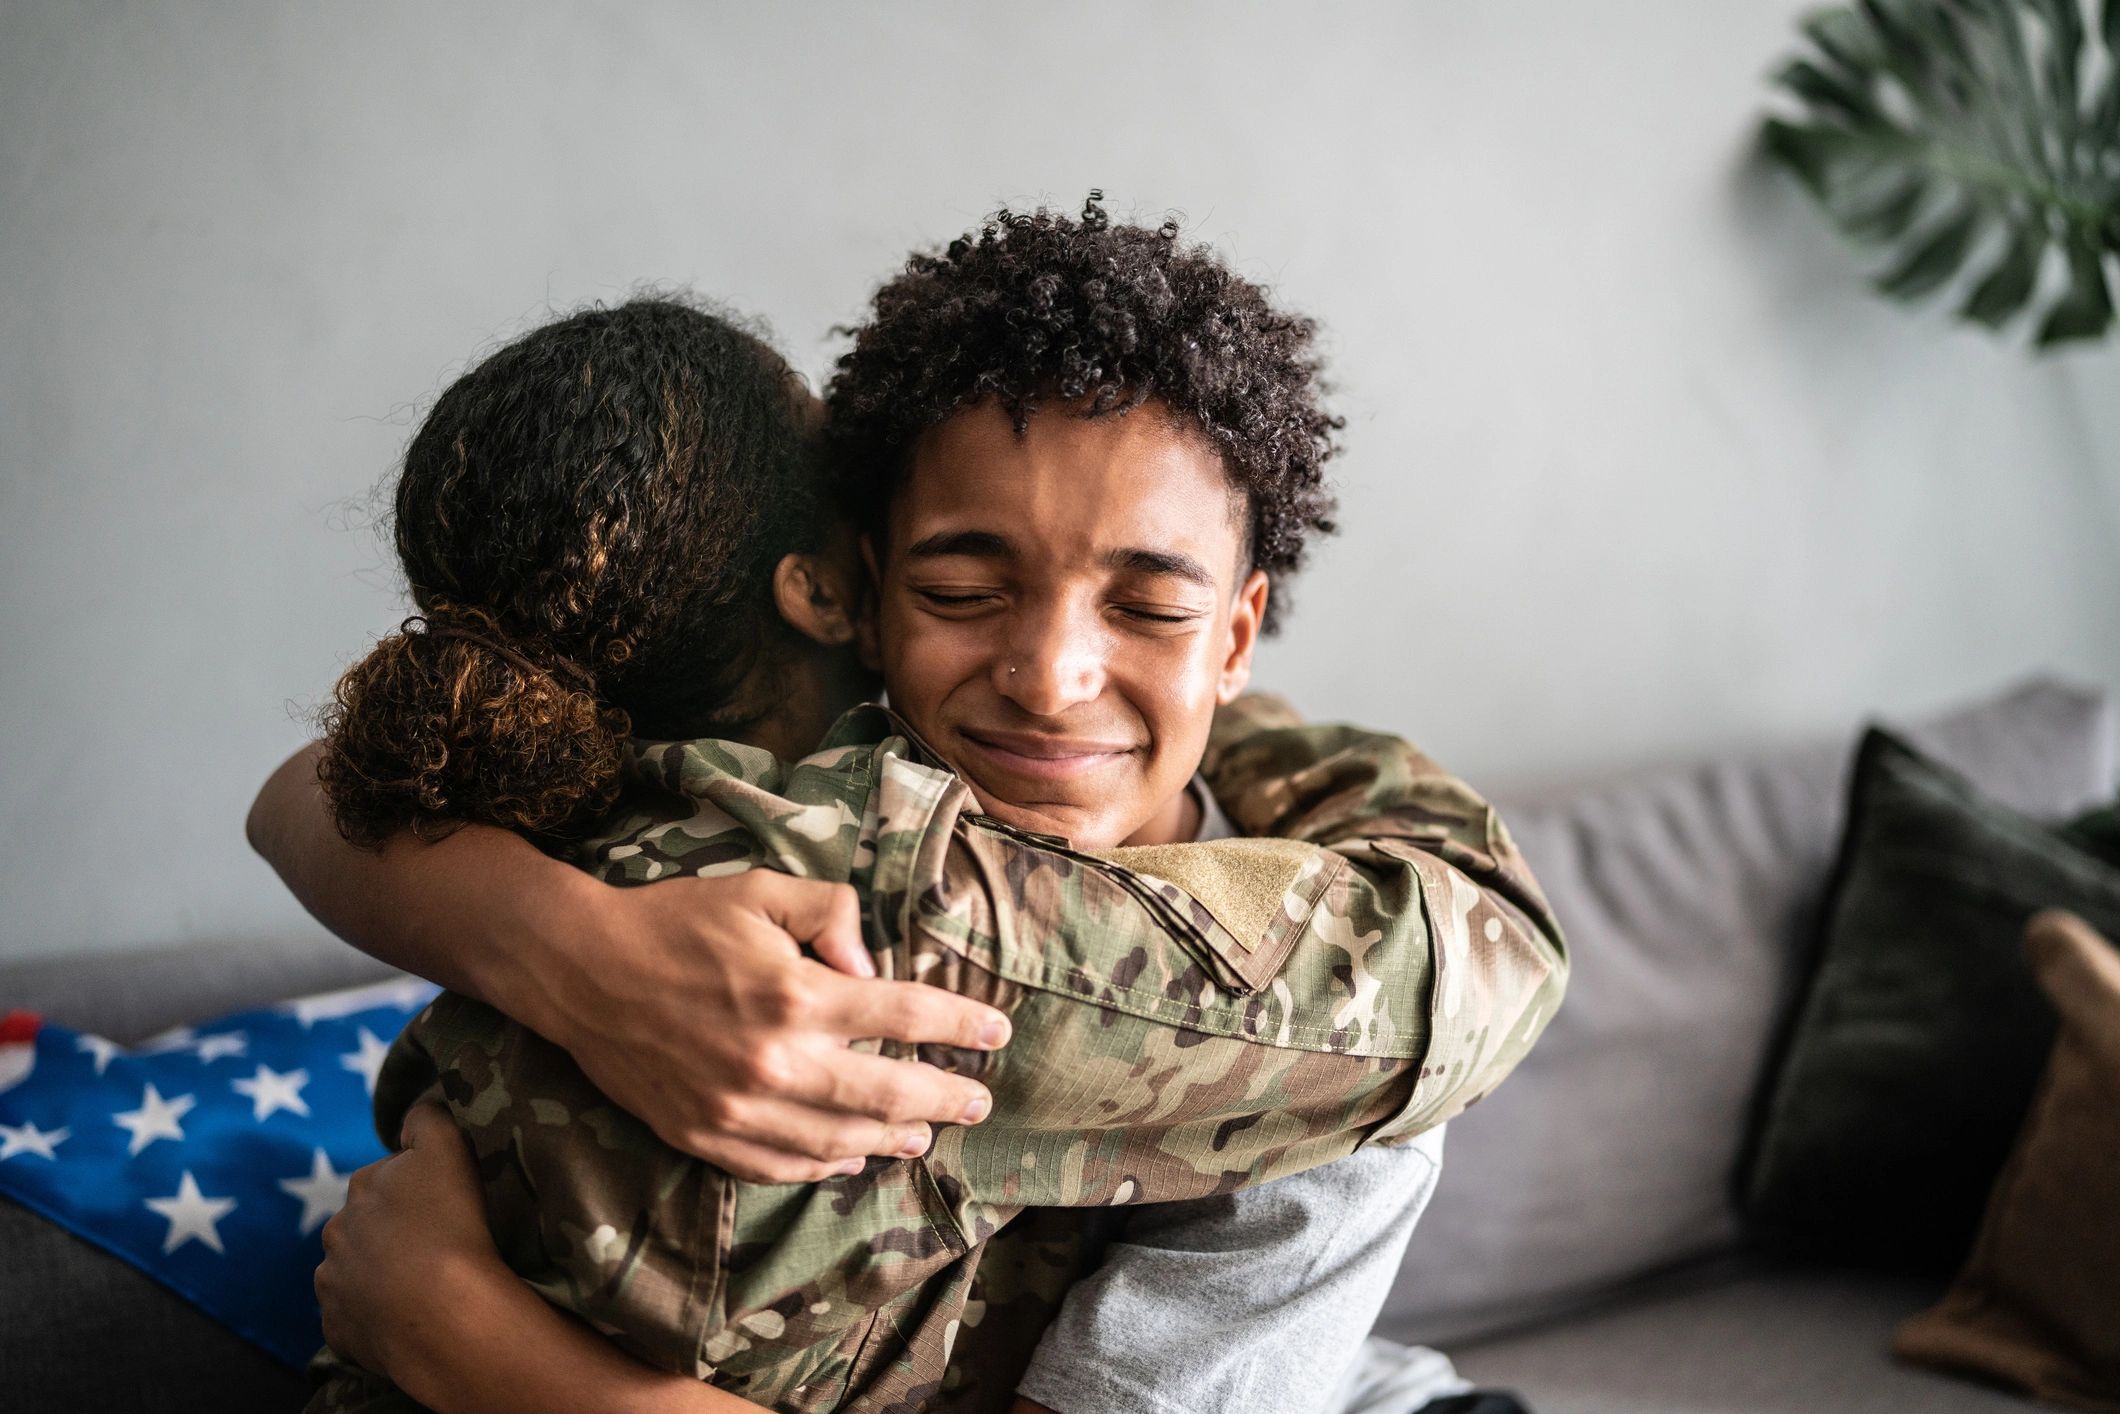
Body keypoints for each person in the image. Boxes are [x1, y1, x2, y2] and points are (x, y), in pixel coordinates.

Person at [256, 203, 1565, 1413]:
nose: (1052, 680)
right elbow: (1483, 952)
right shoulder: (931, 912)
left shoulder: (553, 779)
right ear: (848, 590)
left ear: (1237, 635)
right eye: (959, 584)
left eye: (1150, 604)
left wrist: (554, 951)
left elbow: (300, 799)